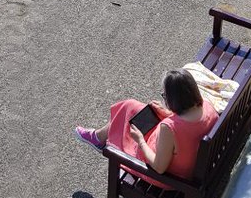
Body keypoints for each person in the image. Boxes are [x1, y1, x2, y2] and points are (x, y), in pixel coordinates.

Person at [75, 70, 217, 180]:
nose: (164, 98)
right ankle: (99, 137)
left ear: (174, 99)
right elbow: (189, 128)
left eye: (165, 96)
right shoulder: (208, 107)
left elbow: (159, 167)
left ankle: (100, 140)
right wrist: (167, 113)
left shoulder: (169, 128)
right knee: (130, 106)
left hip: (169, 177)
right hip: (189, 161)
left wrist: (141, 141)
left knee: (131, 127)